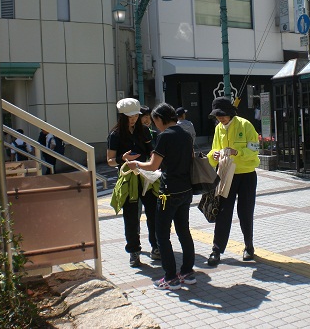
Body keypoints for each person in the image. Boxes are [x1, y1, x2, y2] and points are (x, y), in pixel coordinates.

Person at [129, 103, 195, 290]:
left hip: (168, 192)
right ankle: (188, 272)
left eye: (155, 120)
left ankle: (170, 277)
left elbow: (153, 166)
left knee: (162, 234)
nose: (154, 124)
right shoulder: (185, 134)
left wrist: (136, 165)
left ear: (159, 119)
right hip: (185, 190)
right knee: (184, 231)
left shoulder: (165, 136)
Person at [206, 97, 260, 267]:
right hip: (225, 173)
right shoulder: (218, 129)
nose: (220, 119)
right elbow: (214, 149)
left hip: (246, 175)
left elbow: (255, 148)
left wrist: (238, 152)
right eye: (217, 116)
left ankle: (249, 247)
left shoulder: (245, 125)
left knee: (245, 212)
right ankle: (216, 249)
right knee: (223, 211)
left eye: (222, 115)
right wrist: (213, 155)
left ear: (230, 113)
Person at [107, 97, 159, 268]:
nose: (134, 119)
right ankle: (134, 252)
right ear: (122, 116)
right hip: (128, 179)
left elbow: (152, 150)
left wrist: (153, 162)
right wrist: (122, 159)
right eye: (130, 116)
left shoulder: (143, 131)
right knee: (130, 217)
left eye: (135, 115)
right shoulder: (115, 135)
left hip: (146, 177)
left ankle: (156, 247)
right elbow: (109, 160)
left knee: (154, 213)